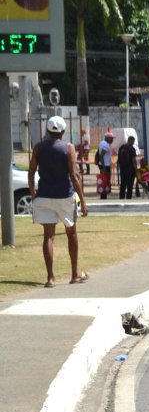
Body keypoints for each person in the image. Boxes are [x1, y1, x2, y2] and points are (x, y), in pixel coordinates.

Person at [27, 116, 89, 287]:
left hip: (44, 196)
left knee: (48, 236)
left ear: (48, 130)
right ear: (62, 131)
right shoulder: (68, 148)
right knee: (72, 233)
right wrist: (83, 201)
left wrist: (33, 194)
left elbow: (31, 173)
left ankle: (50, 277)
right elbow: (74, 176)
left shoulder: (38, 148)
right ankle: (75, 273)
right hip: (64, 196)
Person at [116, 134, 139, 199]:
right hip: (130, 169)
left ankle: (121, 197)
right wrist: (136, 169)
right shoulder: (132, 148)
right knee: (130, 185)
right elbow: (134, 160)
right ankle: (128, 197)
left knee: (123, 184)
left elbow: (119, 158)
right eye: (133, 141)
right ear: (132, 141)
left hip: (122, 168)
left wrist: (118, 168)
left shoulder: (121, 147)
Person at [95, 131, 114, 199]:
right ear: (107, 138)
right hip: (105, 165)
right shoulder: (105, 145)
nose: (112, 140)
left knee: (104, 180)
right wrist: (103, 168)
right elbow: (101, 156)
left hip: (103, 164)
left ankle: (103, 195)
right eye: (111, 138)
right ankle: (103, 195)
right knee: (105, 180)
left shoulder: (102, 143)